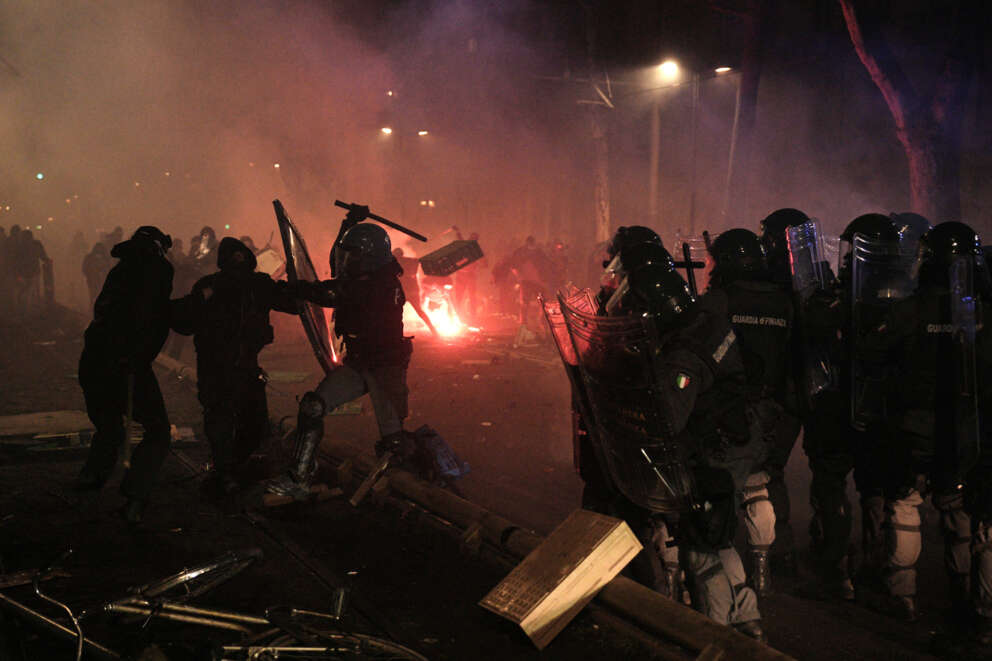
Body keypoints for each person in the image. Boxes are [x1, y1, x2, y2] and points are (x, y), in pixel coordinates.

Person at [601, 261, 766, 639]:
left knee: (699, 545)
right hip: (732, 443)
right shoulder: (705, 321)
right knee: (719, 537)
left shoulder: (684, 355)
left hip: (712, 453)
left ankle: (711, 635)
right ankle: (749, 624)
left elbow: (669, 418)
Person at [860, 222, 991, 631]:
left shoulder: (907, 311)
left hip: (912, 428)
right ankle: (963, 597)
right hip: (963, 430)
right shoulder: (980, 314)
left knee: (905, 503)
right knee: (960, 511)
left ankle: (904, 596)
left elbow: (872, 356)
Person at [265, 206, 413, 499]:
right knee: (313, 406)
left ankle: (416, 496)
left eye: (354, 255)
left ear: (368, 257)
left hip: (385, 368)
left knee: (394, 445)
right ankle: (299, 478)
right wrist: (348, 223)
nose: (347, 261)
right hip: (360, 363)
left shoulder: (381, 283)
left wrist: (296, 288)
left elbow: (332, 293)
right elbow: (338, 264)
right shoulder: (366, 274)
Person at [801, 213, 903, 601]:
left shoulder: (845, 300)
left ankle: (837, 568)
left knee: (831, 485)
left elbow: (817, 332)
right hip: (882, 414)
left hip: (838, 408)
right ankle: (877, 569)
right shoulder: (904, 300)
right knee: (874, 490)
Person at [171, 238, 301, 499]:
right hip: (219, 367)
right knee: (228, 421)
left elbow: (293, 304)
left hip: (237, 367)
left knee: (245, 422)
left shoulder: (249, 285)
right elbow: (184, 321)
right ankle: (225, 473)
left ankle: (231, 471)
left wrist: (302, 288)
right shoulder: (225, 286)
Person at [705, 228, 794, 595]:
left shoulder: (719, 301)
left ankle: (728, 581)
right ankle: (762, 567)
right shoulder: (786, 303)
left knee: (720, 489)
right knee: (758, 487)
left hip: (727, 411)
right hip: (771, 411)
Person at [73, 226, 175, 525]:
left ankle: (91, 478)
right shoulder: (156, 270)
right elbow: (150, 317)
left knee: (109, 425)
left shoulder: (119, 271)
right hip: (124, 364)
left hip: (93, 361)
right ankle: (135, 498)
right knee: (157, 431)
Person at [393, 247, 438, 337]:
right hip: (412, 291)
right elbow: (417, 262)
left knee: (395, 312)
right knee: (419, 311)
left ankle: (394, 333)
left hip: (404, 291)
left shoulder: (395, 263)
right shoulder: (410, 261)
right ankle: (434, 331)